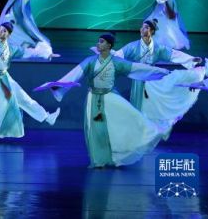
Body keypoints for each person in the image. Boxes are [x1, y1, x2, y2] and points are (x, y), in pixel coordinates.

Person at [36, 33, 171, 168]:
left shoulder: (117, 62)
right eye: (98, 41)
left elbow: (138, 68)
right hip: (93, 99)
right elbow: (75, 74)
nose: (98, 44)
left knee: (134, 118)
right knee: (95, 131)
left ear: (109, 45)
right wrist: (58, 84)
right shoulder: (90, 61)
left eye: (101, 41)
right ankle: (98, 160)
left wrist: (163, 72)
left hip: (110, 97)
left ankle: (156, 132)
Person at [113, 19, 208, 130]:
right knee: (138, 105)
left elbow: (174, 54)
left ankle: (202, 71)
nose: (142, 29)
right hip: (139, 80)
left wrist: (191, 59)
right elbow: (118, 55)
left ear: (152, 31)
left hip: (153, 80)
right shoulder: (133, 46)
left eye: (146, 27)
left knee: (171, 85)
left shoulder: (158, 48)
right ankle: (139, 129)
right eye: (142, 27)